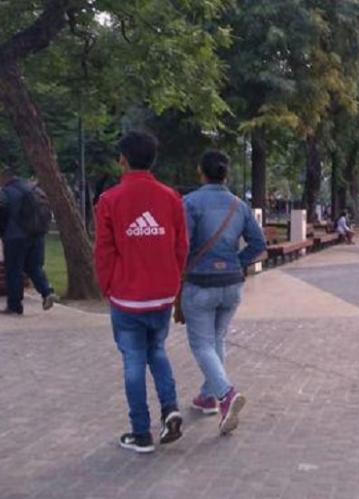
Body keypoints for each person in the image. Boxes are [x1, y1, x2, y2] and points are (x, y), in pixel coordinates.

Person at [94, 131, 187, 453]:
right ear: (153, 159)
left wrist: (107, 286)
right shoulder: (171, 197)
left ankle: (141, 433)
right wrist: (173, 281)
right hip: (161, 293)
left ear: (122, 159)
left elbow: (104, 251)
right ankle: (170, 407)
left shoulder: (109, 200)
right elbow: (180, 246)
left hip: (127, 297)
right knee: (157, 351)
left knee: (134, 361)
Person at [182, 150, 265, 435]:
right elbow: (258, 243)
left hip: (200, 284)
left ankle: (226, 395)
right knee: (216, 339)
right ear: (226, 173)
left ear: (200, 171)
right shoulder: (239, 206)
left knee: (201, 344)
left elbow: (182, 245)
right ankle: (208, 396)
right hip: (232, 284)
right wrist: (236, 262)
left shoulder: (190, 203)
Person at [0, 169, 58, 315]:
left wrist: (3, 234)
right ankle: (47, 292)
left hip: (15, 237)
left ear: (4, 179)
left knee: (13, 270)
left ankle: (14, 305)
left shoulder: (5, 192)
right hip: (37, 235)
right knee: (35, 267)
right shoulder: (33, 189)